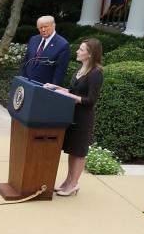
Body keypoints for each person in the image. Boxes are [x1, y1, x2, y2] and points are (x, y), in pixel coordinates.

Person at [44, 38, 105, 197]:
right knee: (72, 150)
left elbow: (90, 100)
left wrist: (68, 96)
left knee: (79, 152)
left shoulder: (96, 73)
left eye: (81, 49)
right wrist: (57, 88)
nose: (77, 51)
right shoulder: (80, 68)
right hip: (72, 115)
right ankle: (68, 181)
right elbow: (74, 91)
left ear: (90, 54)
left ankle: (74, 183)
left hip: (83, 117)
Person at [19, 15, 70, 85]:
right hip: (26, 83)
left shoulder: (62, 45)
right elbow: (25, 61)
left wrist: (52, 89)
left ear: (53, 26)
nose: (43, 30)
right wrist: (21, 78)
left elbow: (60, 72)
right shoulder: (34, 39)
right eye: (40, 28)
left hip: (44, 87)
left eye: (46, 27)